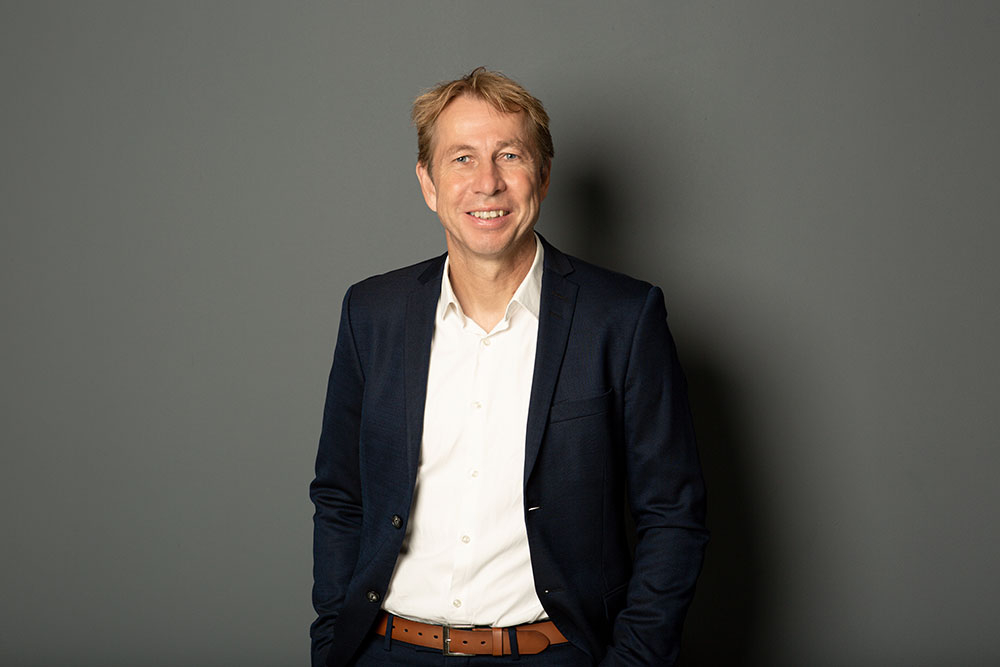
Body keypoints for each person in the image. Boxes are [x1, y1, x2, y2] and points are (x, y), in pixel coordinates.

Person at [310, 67, 708, 666]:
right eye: (462, 159)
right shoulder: (372, 313)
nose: (487, 183)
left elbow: (673, 515)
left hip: (552, 654)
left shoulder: (623, 318)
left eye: (509, 156)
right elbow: (341, 496)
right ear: (428, 183)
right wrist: (331, 646)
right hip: (386, 652)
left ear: (542, 176)